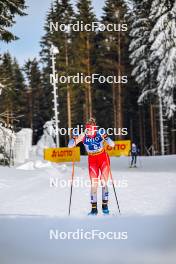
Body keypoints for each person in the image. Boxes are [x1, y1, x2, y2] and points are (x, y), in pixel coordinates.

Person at [68, 117, 115, 215]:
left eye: (92, 129)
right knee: (94, 184)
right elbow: (70, 146)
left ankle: (105, 206)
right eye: (88, 129)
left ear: (95, 128)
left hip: (103, 158)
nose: (90, 131)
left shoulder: (100, 133)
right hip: (92, 160)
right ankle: (94, 209)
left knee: (103, 181)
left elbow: (112, 144)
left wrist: (106, 136)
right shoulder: (83, 135)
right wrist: (73, 137)